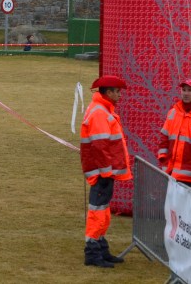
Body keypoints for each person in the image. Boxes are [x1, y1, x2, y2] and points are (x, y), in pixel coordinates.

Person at [79, 75, 131, 268]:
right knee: (97, 211)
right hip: (102, 173)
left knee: (103, 211)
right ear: (108, 93)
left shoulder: (102, 109)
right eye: (117, 92)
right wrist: (107, 172)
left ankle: (101, 247)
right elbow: (100, 145)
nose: (119, 95)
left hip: (104, 172)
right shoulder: (100, 112)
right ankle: (92, 251)